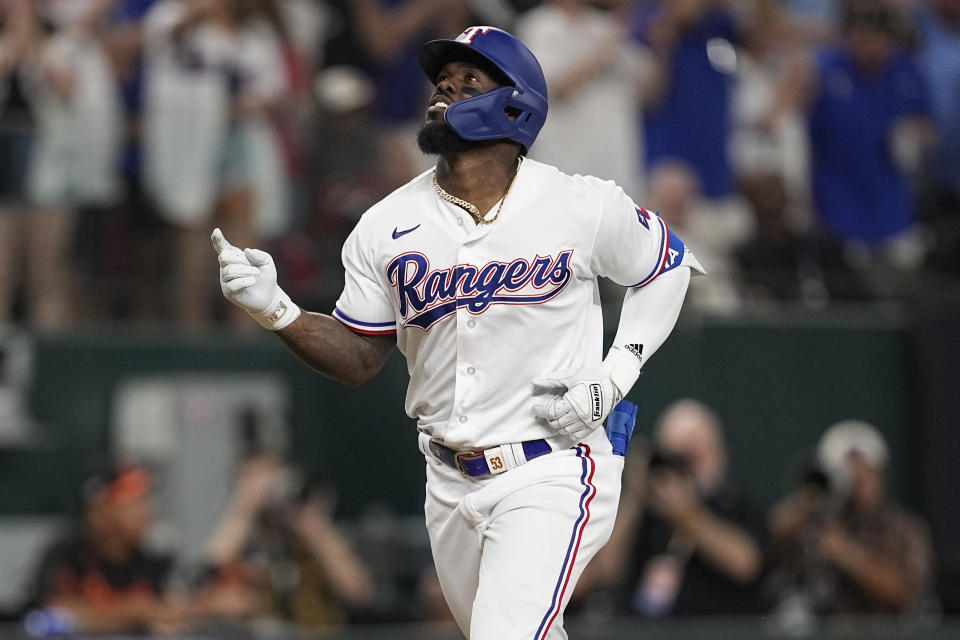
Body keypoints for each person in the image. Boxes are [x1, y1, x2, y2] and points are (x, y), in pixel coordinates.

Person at [212, 25, 703, 639]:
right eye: (442, 83)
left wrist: (617, 372)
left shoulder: (577, 203)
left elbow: (668, 265)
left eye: (470, 82)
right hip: (447, 479)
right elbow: (361, 355)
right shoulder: (385, 224)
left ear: (517, 104)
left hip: (554, 464)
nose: (444, 92)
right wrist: (276, 310)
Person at [577, 398, 767, 617]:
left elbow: (746, 564)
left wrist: (686, 513)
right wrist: (636, 495)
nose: (684, 468)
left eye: (693, 456)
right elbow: (606, 569)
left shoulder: (734, 502)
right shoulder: (647, 512)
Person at [768, 420, 936, 622]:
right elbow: (771, 536)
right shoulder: (813, 524)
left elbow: (906, 594)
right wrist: (811, 497)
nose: (857, 483)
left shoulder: (905, 529)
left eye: (866, 474)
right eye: (849, 474)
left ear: (881, 475)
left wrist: (846, 554)